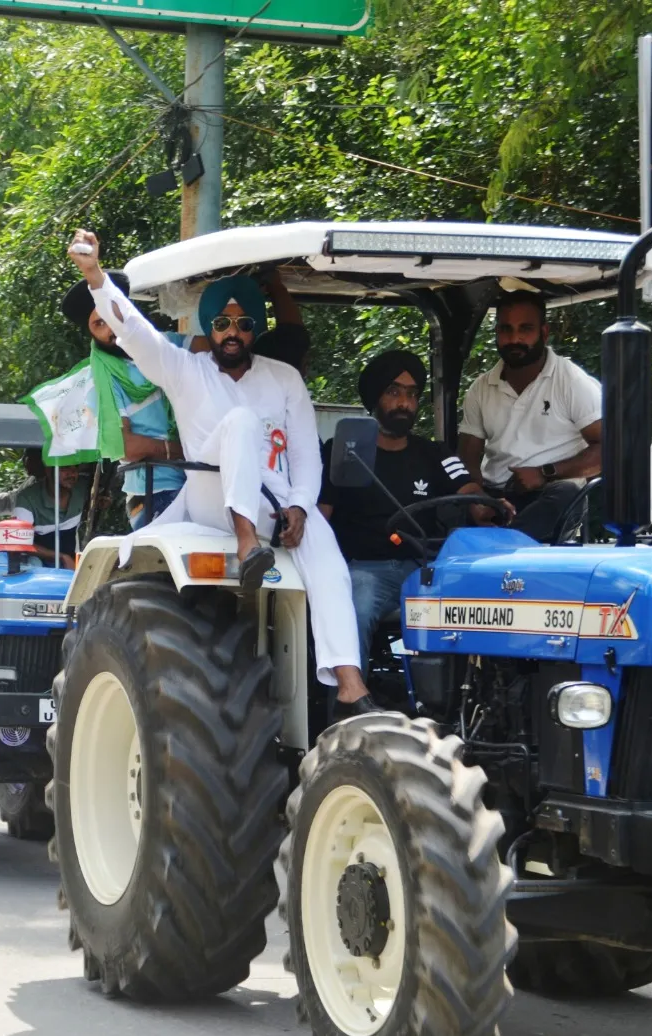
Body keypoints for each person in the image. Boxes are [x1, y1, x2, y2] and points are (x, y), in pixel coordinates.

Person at [67, 228, 378, 717]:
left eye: (244, 322)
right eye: (222, 322)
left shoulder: (284, 377)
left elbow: (306, 456)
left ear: (255, 327)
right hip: (213, 503)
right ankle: (247, 544)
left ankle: (349, 687)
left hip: (275, 504)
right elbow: (133, 330)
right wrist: (95, 276)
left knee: (329, 555)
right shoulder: (184, 369)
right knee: (239, 422)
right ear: (208, 326)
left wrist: (300, 506)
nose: (233, 332)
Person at [320, 350, 484, 667]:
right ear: (375, 398)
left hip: (425, 568)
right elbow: (320, 517)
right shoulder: (344, 451)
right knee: (354, 610)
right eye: (394, 392)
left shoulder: (435, 452)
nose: (404, 403)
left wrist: (488, 504)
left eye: (411, 394)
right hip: (364, 569)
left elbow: (470, 494)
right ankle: (350, 704)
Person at [457, 290, 603, 542]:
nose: (514, 338)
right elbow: (468, 458)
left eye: (525, 329)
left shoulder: (571, 381)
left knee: (566, 495)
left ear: (543, 333)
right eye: (505, 329)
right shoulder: (480, 388)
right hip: (497, 496)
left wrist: (546, 472)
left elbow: (611, 450)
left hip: (551, 494)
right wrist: (478, 500)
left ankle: (498, 548)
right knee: (443, 499)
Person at [62, 272, 185, 529]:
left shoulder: (167, 344)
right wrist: (185, 450)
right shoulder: (99, 381)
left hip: (204, 478)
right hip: (155, 489)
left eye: (112, 317)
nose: (111, 329)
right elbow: (127, 447)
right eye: (99, 324)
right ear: (90, 333)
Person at [11, 449, 92, 567]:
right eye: (65, 468)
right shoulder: (27, 498)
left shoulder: (83, 488)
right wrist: (62, 557)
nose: (72, 474)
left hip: (76, 559)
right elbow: (19, 542)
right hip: (39, 565)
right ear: (48, 470)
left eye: (75, 468)